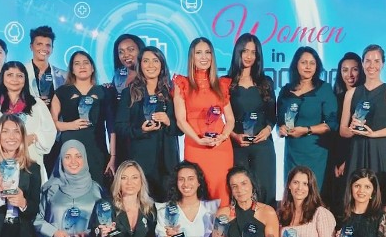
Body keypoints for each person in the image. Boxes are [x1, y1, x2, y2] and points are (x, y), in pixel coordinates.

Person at [174, 37, 237, 201]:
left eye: (208, 52)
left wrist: (223, 137)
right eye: (199, 53)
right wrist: (198, 140)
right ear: (192, 57)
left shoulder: (220, 84)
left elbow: (230, 119)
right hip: (195, 146)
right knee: (197, 191)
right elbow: (181, 120)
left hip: (220, 147)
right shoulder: (183, 83)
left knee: (221, 191)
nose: (204, 57)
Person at [0, 61, 57, 182]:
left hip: (29, 162)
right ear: (3, 78)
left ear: (25, 79)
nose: (15, 79)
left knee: (29, 198)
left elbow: (49, 132)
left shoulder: (36, 104)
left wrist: (32, 138)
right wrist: (4, 142)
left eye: (19, 75)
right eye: (10, 75)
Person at [116, 46, 180, 201]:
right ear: (140, 65)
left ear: (162, 64)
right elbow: (120, 127)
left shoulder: (172, 92)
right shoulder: (129, 93)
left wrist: (167, 121)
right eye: (146, 61)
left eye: (155, 60)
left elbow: (181, 128)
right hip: (140, 162)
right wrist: (141, 130)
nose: (151, 65)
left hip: (167, 162)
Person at [340, 44, 386, 199]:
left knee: (384, 196)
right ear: (362, 64)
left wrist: (373, 134)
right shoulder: (351, 93)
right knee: (355, 198)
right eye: (368, 61)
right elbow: (343, 129)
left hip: (381, 150)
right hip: (357, 150)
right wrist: (352, 129)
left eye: (376, 61)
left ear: (382, 64)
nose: (371, 65)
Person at [226, 33, 277, 205]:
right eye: (245, 51)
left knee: (264, 190)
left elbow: (272, 115)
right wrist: (234, 136)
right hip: (237, 146)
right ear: (238, 52)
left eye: (253, 52)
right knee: (240, 194)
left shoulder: (266, 82)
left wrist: (268, 129)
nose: (249, 56)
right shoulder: (226, 83)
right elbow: (221, 119)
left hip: (263, 146)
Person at [277, 47, 338, 189]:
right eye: (304, 62)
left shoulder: (324, 89)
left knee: (313, 194)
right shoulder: (286, 90)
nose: (308, 66)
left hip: (316, 153)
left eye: (312, 63)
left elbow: (332, 123)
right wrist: (280, 129)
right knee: (293, 194)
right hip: (292, 153)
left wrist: (306, 130)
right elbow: (279, 120)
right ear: (296, 64)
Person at [52, 50, 114, 181]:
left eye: (86, 63)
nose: (82, 66)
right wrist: (71, 125)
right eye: (77, 63)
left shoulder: (104, 91)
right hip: (70, 148)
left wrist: (113, 156)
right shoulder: (61, 92)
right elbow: (52, 124)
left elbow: (111, 127)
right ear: (72, 70)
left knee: (98, 189)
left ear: (92, 68)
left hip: (97, 148)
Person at [324, 52, 365, 209]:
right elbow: (334, 135)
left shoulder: (364, 100)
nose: (350, 74)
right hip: (334, 156)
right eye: (345, 70)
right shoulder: (334, 98)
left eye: (354, 69)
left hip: (357, 154)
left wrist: (347, 160)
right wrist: (336, 161)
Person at [106, 33, 145, 171]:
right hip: (122, 140)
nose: (126, 55)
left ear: (140, 50)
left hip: (143, 140)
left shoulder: (151, 78)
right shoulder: (117, 79)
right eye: (121, 52)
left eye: (131, 49)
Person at [27, 25, 67, 107]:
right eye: (39, 44)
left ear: (52, 48)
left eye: (48, 45)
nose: (44, 48)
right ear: (31, 46)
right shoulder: (21, 73)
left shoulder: (63, 76)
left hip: (55, 119)